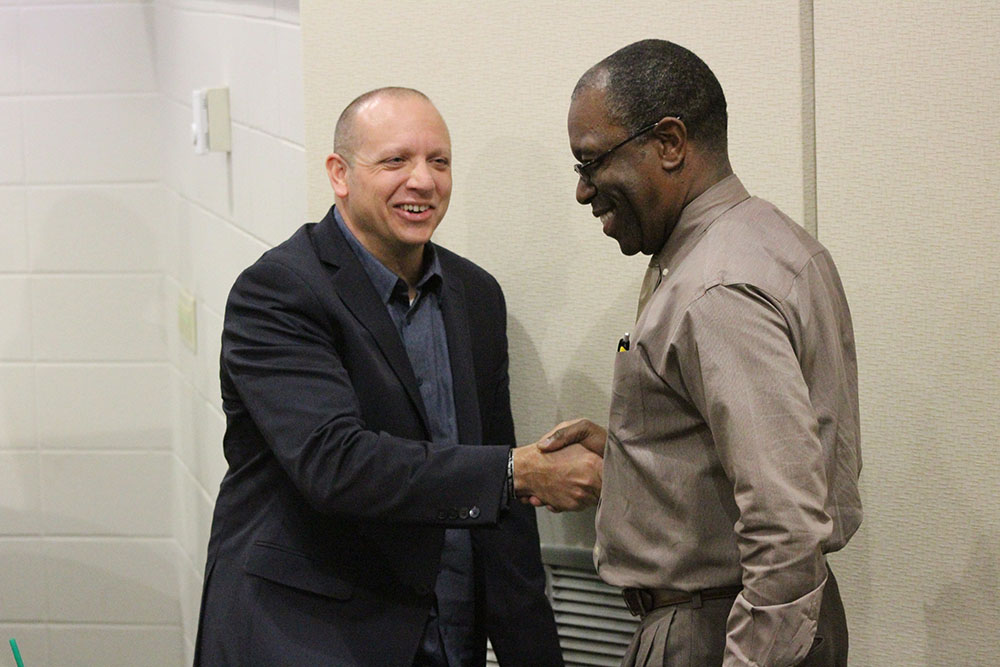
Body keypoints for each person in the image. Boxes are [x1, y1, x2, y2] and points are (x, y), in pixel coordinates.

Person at [194, 87, 603, 666]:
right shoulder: (279, 292)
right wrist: (514, 470)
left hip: (449, 632)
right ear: (340, 174)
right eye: (395, 161)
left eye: (439, 161)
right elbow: (335, 464)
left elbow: (504, 514)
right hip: (308, 638)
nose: (423, 181)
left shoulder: (476, 296)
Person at [546, 40, 863, 665]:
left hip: (721, 632)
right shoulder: (770, 243)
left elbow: (786, 524)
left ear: (669, 142)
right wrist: (632, 456)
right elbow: (772, 455)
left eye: (590, 162)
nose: (583, 191)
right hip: (741, 616)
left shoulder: (714, 289)